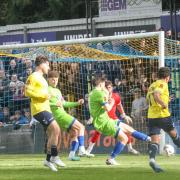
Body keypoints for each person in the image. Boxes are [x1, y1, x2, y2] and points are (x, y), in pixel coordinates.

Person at [88, 75, 151, 165]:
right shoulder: (99, 94)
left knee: (129, 129)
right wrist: (112, 102)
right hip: (104, 122)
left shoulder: (94, 92)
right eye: (105, 85)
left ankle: (148, 139)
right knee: (124, 138)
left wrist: (123, 114)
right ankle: (111, 158)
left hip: (107, 120)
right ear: (101, 84)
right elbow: (108, 109)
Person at [25, 55, 65, 172]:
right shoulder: (33, 76)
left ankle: (48, 160)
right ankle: (54, 156)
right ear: (41, 64)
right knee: (56, 129)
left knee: (52, 133)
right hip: (39, 109)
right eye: (47, 64)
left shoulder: (42, 78)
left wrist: (50, 98)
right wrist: (43, 96)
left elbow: (43, 93)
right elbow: (26, 92)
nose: (49, 67)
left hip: (45, 108)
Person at [47, 71, 93, 161]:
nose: (54, 81)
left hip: (60, 116)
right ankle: (82, 149)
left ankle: (71, 155)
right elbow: (45, 102)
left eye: (56, 80)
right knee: (81, 127)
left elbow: (64, 103)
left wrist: (77, 103)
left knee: (74, 133)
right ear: (48, 80)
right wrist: (54, 104)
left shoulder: (57, 91)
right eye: (52, 79)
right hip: (60, 115)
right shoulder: (47, 90)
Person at [87, 80, 140, 155]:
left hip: (113, 118)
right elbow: (95, 108)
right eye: (107, 87)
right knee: (97, 132)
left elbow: (119, 105)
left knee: (126, 130)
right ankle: (88, 150)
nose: (108, 89)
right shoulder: (101, 95)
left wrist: (124, 115)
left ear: (112, 88)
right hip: (103, 118)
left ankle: (130, 148)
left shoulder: (116, 96)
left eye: (109, 87)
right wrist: (92, 117)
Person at [146, 67, 180, 173]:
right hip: (163, 116)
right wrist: (164, 103)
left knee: (155, 141)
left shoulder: (152, 85)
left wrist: (165, 99)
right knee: (175, 135)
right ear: (168, 77)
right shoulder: (162, 83)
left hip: (152, 117)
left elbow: (149, 100)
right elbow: (156, 95)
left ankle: (152, 160)